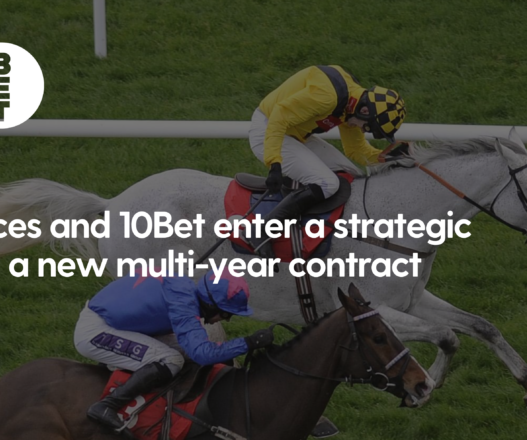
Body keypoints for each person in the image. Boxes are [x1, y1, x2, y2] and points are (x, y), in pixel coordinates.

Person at [74, 270, 273, 432]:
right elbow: (203, 353)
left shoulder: (184, 287)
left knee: (184, 352)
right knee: (171, 360)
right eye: (227, 314)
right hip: (95, 332)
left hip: (113, 320)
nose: (227, 320)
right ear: (211, 305)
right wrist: (249, 342)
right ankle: (107, 406)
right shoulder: (183, 306)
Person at [247, 65, 408, 258]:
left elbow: (356, 149)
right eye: (367, 127)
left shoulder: (352, 104)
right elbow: (279, 115)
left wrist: (387, 158)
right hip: (269, 129)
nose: (363, 130)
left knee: (353, 175)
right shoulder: (327, 98)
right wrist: (274, 163)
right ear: (365, 110)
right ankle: (262, 229)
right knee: (327, 183)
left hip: (293, 132)